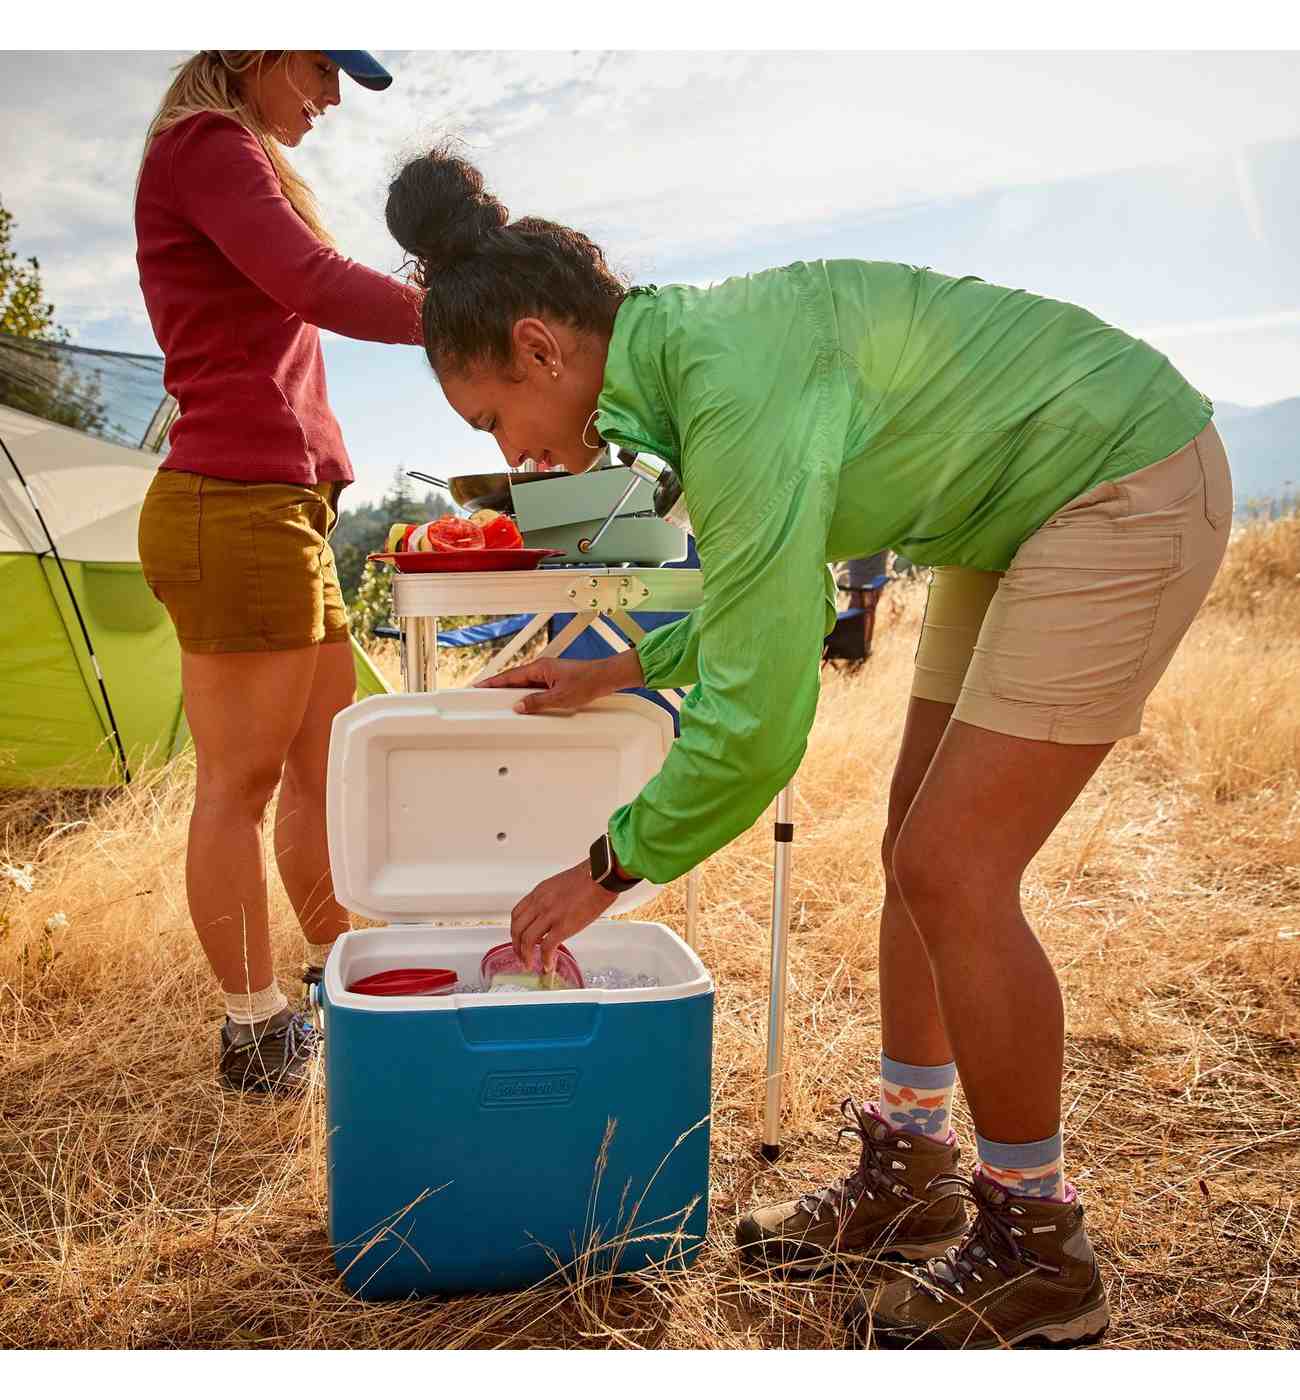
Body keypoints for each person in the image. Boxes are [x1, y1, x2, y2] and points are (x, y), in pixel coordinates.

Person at [384, 147, 1232, 1348]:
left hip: (1116, 476)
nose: (513, 455)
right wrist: (618, 667)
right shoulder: (689, 372)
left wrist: (609, 865)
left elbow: (759, 712)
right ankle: (914, 1171)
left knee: (954, 863)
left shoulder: (729, 383)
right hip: (1010, 515)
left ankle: (1041, 1248)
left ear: (540, 348)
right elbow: (764, 598)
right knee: (913, 854)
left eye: (493, 421)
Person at [135, 51, 424, 1094]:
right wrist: (464, 314)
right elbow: (312, 282)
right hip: (235, 502)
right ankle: (255, 1033)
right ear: (257, 44)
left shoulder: (234, 154)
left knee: (321, 767)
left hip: (286, 508)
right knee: (239, 788)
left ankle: (328, 984)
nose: (333, 96)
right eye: (322, 66)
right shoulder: (206, 144)